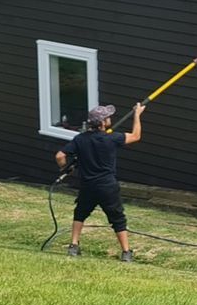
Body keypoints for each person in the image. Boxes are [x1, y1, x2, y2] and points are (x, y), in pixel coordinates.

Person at [56, 102, 144, 261]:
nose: (110, 118)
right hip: (107, 186)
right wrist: (137, 115)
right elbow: (136, 136)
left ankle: (74, 246)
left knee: (80, 213)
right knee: (117, 218)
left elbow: (60, 156)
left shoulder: (80, 139)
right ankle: (126, 252)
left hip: (88, 186)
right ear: (103, 123)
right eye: (107, 117)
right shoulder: (112, 139)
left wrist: (66, 170)